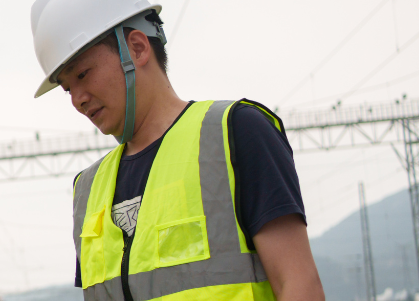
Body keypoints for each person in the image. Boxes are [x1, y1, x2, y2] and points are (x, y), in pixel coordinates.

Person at [28, 0, 325, 300]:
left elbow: (299, 286)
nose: (76, 99)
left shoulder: (236, 133)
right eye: (67, 88)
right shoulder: (87, 191)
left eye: (82, 75)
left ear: (138, 48)